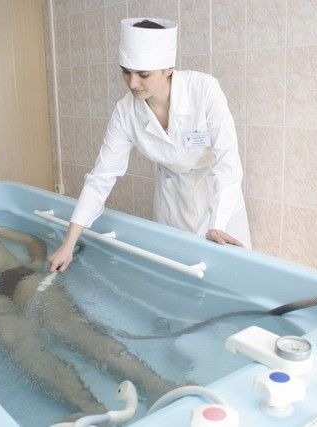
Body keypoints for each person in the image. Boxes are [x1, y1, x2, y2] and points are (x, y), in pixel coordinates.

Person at [0, 190, 177, 415]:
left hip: (21, 278)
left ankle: (158, 386)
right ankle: (89, 409)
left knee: (73, 327)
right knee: (17, 340)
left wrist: (36, 262)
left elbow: (32, 241)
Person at [49, 18, 251, 272]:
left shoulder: (204, 90)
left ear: (168, 69)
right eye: (126, 72)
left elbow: (228, 161)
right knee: (174, 276)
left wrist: (217, 223)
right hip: (171, 201)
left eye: (143, 74)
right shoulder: (125, 112)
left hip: (217, 195)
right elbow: (101, 177)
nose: (133, 83)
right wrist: (68, 244)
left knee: (230, 277)